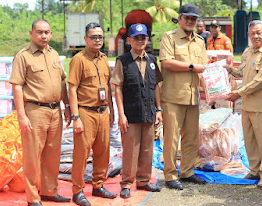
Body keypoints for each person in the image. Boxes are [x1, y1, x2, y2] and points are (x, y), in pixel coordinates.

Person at [9, 18, 71, 206]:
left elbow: (62, 82)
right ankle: (33, 198)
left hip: (55, 111)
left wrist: (66, 106)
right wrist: (21, 115)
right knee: (32, 157)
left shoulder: (54, 55)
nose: (43, 35)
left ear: (51, 34)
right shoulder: (23, 56)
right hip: (34, 111)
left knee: (52, 155)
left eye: (47, 32)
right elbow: (17, 86)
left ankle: (49, 192)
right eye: (39, 32)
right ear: (31, 34)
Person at [110, 23, 163, 198]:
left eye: (143, 38)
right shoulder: (123, 61)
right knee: (131, 150)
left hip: (149, 112)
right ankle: (126, 183)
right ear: (129, 40)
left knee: (147, 149)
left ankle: (143, 181)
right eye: (136, 38)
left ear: (147, 39)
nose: (140, 41)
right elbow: (117, 88)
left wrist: (159, 109)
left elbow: (156, 86)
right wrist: (121, 115)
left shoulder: (152, 61)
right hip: (130, 113)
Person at [224, 20, 262, 188]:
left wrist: (238, 93)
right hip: (246, 105)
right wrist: (228, 68)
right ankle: (254, 170)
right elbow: (241, 72)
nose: (255, 36)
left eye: (258, 33)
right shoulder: (247, 52)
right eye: (252, 33)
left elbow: (260, 80)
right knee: (249, 140)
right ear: (248, 35)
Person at [159, 4, 208, 190]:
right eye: (187, 17)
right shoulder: (169, 37)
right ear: (179, 19)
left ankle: (187, 171)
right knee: (171, 138)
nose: (190, 21)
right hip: (173, 97)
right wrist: (191, 67)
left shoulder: (200, 41)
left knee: (191, 137)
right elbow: (166, 62)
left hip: (193, 97)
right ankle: (170, 175)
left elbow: (204, 69)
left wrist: (212, 89)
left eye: (193, 18)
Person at [68, 22, 117, 206]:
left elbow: (108, 88)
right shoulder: (78, 59)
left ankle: (98, 185)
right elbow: (72, 89)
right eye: (94, 36)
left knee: (103, 151)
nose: (97, 40)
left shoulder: (104, 58)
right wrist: (76, 117)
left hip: (103, 111)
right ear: (85, 39)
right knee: (81, 153)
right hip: (85, 112)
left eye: (100, 37)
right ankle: (77, 191)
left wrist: (111, 110)